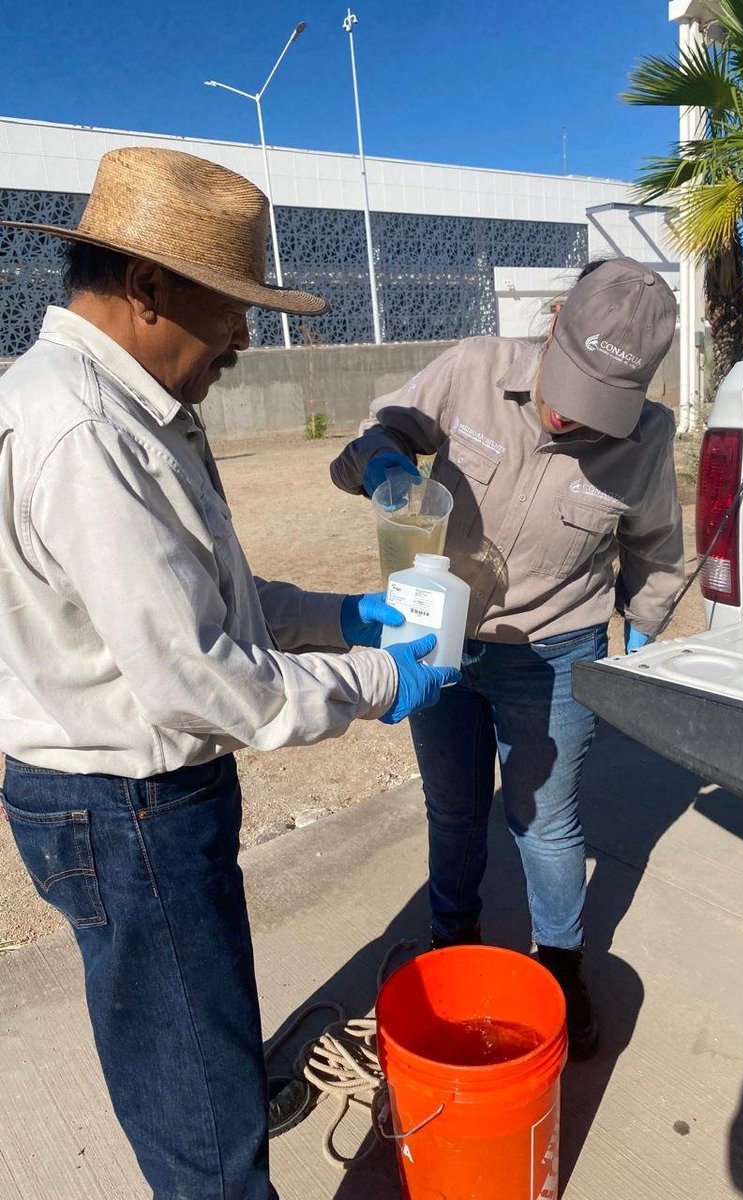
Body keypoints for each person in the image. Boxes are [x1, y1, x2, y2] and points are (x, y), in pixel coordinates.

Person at [0, 146, 458, 1200]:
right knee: (204, 1132)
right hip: (128, 808)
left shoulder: (123, 405)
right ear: (150, 289)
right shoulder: (86, 430)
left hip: (133, 808)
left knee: (194, 1043)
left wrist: (338, 613)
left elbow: (206, 597)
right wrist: (384, 683)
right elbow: (203, 682)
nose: (249, 334)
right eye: (236, 306)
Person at [331, 257, 683, 1060]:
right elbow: (373, 432)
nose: (569, 419)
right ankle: (448, 944)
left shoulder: (647, 438)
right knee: (453, 808)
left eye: (600, 405)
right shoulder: (473, 369)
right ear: (553, 326)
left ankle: (558, 969)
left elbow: (657, 549)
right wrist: (383, 456)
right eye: (568, 388)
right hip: (441, 641)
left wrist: (647, 640)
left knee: (544, 823)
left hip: (556, 652)